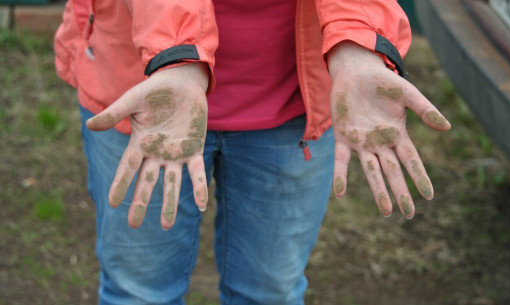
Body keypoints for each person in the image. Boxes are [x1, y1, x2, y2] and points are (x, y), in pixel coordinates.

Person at [54, 0, 451, 304]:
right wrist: (174, 56)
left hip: (294, 99)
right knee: (138, 293)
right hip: (144, 91)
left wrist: (358, 44)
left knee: (269, 295)